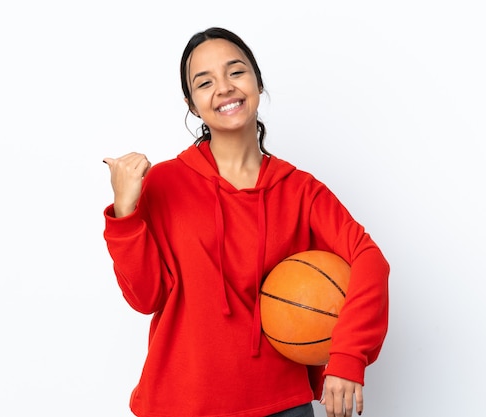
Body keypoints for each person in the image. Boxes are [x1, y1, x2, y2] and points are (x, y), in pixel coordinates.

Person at [102, 27, 389, 417]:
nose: (223, 88)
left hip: (281, 404)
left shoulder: (299, 189)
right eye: (205, 82)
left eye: (235, 72)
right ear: (192, 104)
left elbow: (369, 259)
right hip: (181, 403)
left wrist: (348, 356)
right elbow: (145, 297)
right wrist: (125, 213)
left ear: (256, 81)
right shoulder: (164, 183)